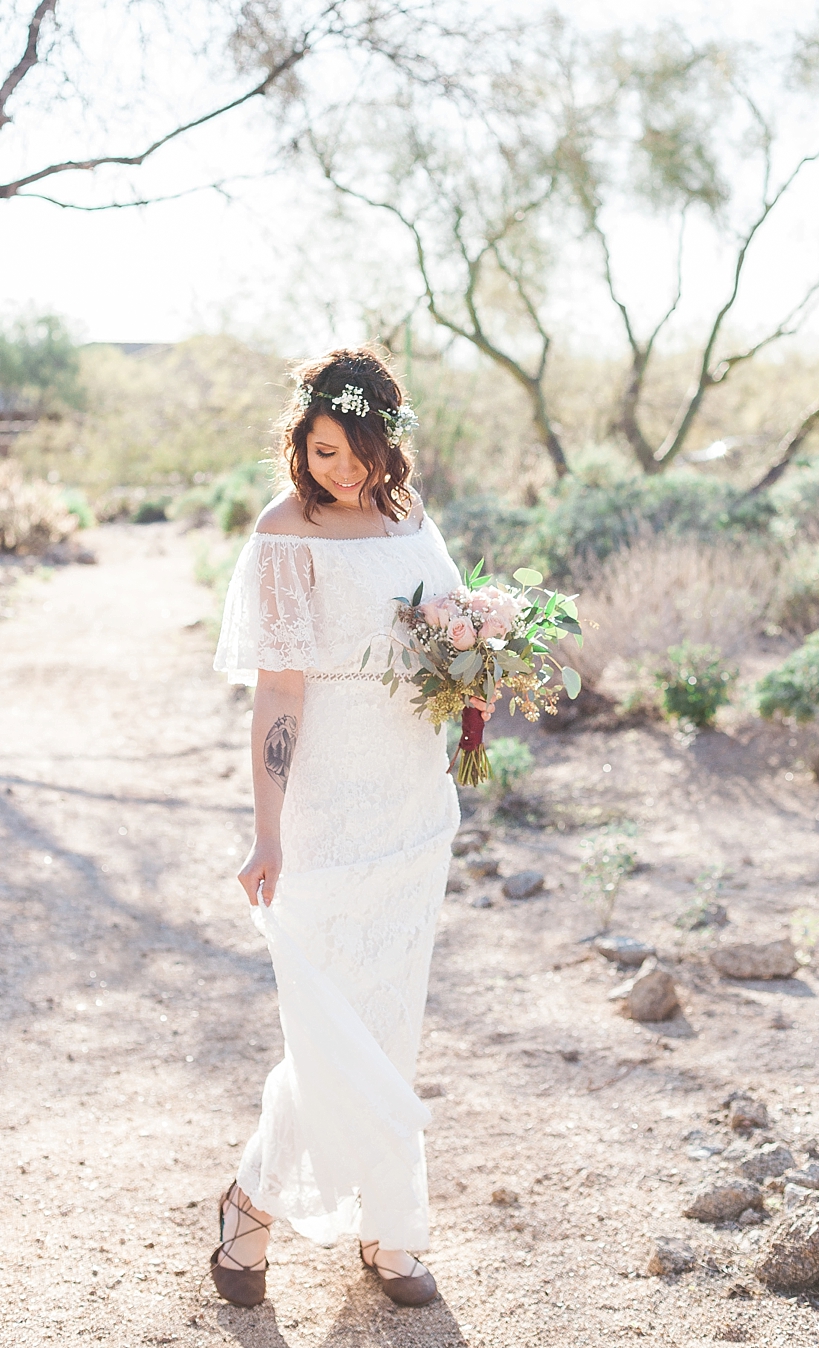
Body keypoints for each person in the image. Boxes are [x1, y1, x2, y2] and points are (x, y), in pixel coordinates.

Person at [209, 345, 492, 1308]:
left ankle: (386, 1230)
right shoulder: (285, 532)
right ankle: (252, 1203)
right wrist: (269, 831)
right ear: (302, 440)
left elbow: (443, 622)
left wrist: (484, 652)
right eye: (321, 448)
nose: (339, 469)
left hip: (414, 800)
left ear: (389, 442)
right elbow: (279, 689)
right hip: (328, 803)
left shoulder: (411, 517)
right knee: (330, 1020)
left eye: (356, 449)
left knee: (388, 1013)